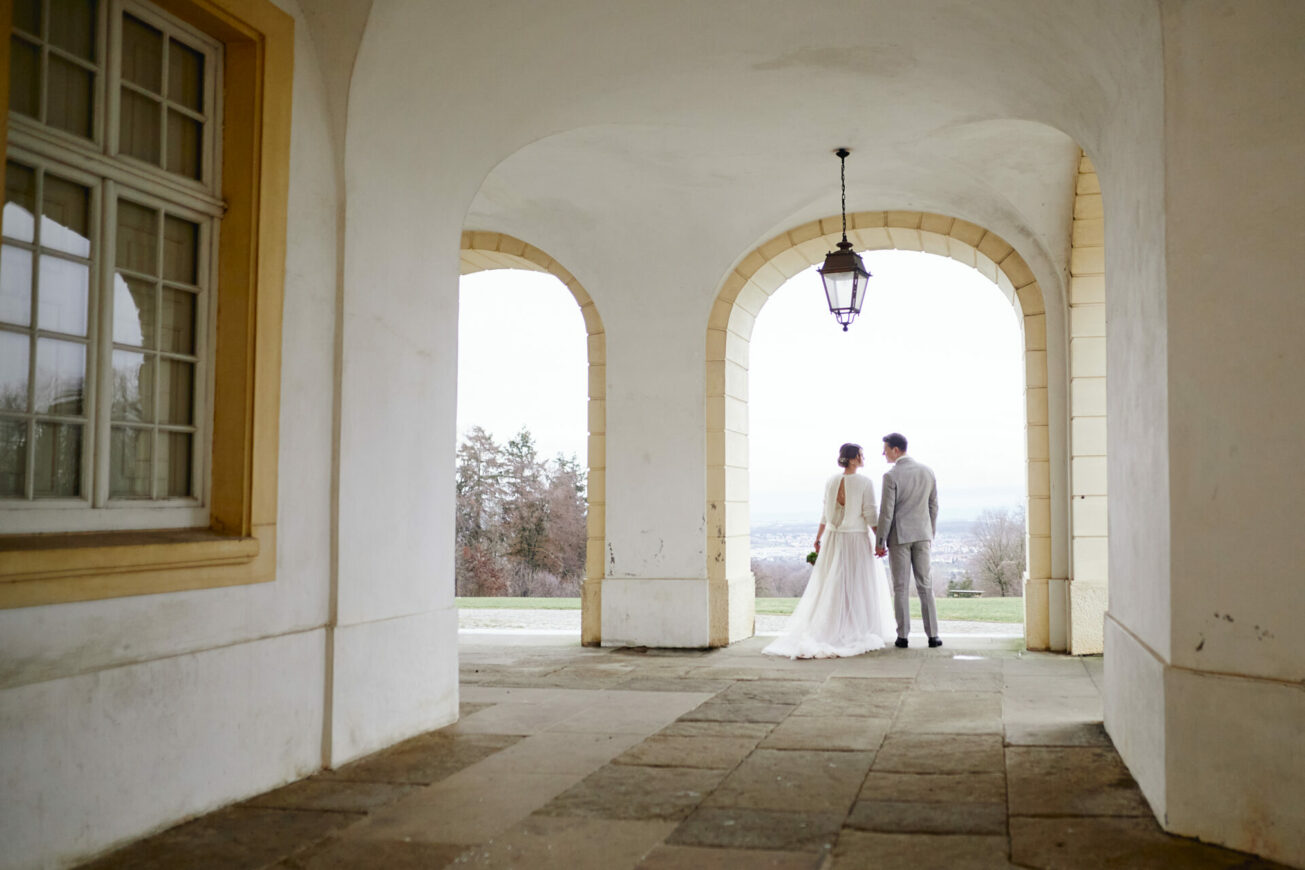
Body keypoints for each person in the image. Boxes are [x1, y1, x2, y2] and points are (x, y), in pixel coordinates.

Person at [764, 443, 895, 659]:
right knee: (857, 584)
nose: (864, 458)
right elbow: (871, 514)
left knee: (832, 583)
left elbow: (825, 514)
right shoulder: (864, 482)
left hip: (834, 539)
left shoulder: (831, 481)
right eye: (861, 455)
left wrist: (818, 538)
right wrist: (880, 540)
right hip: (854, 539)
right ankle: (853, 627)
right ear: (852, 459)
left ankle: (831, 625)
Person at [875, 432, 941, 648]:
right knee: (926, 585)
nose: (883, 454)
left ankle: (903, 636)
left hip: (900, 537)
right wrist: (929, 531)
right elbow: (933, 506)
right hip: (922, 535)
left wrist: (880, 541)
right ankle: (933, 636)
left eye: (885, 450)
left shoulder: (891, 476)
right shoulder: (927, 471)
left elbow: (886, 512)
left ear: (895, 449)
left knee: (901, 587)